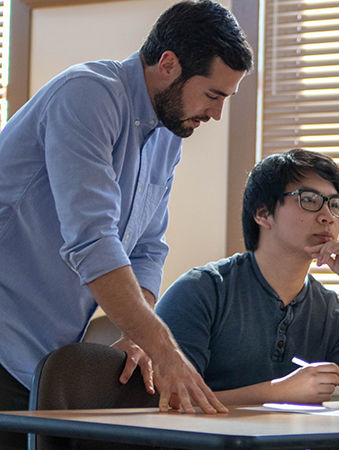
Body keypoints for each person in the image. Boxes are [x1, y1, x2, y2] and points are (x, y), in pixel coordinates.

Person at [0, 1, 253, 446]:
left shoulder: (168, 134)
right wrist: (164, 349)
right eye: (213, 95)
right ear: (168, 64)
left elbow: (148, 248)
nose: (216, 115)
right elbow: (92, 242)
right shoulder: (88, 96)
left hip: (40, 357)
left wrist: (134, 333)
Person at [155, 149, 339, 405]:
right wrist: (277, 392)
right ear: (262, 214)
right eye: (309, 200)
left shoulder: (332, 312)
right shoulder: (201, 291)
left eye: (335, 204)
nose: (327, 216)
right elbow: (171, 399)